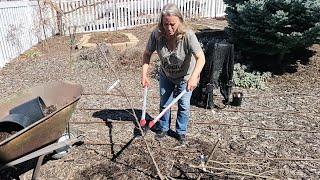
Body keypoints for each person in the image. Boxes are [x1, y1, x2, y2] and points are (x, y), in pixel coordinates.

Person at [141, 3, 205, 145]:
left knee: (184, 105)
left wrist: (194, 77)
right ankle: (163, 128)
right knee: (165, 103)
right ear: (161, 23)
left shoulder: (188, 36)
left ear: (180, 21)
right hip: (166, 75)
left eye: (172, 24)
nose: (169, 28)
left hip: (185, 77)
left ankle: (181, 132)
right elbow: (146, 54)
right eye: (165, 24)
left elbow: (201, 58)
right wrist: (144, 74)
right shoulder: (156, 35)